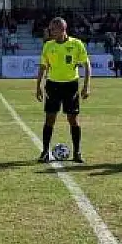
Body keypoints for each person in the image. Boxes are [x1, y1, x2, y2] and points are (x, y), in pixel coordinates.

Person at [35, 17, 90, 163]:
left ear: (62, 29)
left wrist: (86, 86)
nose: (50, 31)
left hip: (71, 86)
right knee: (49, 119)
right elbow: (42, 67)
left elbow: (87, 65)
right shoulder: (48, 45)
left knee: (73, 119)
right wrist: (38, 86)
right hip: (52, 85)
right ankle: (45, 152)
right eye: (50, 29)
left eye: (53, 29)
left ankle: (77, 152)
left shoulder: (76, 44)